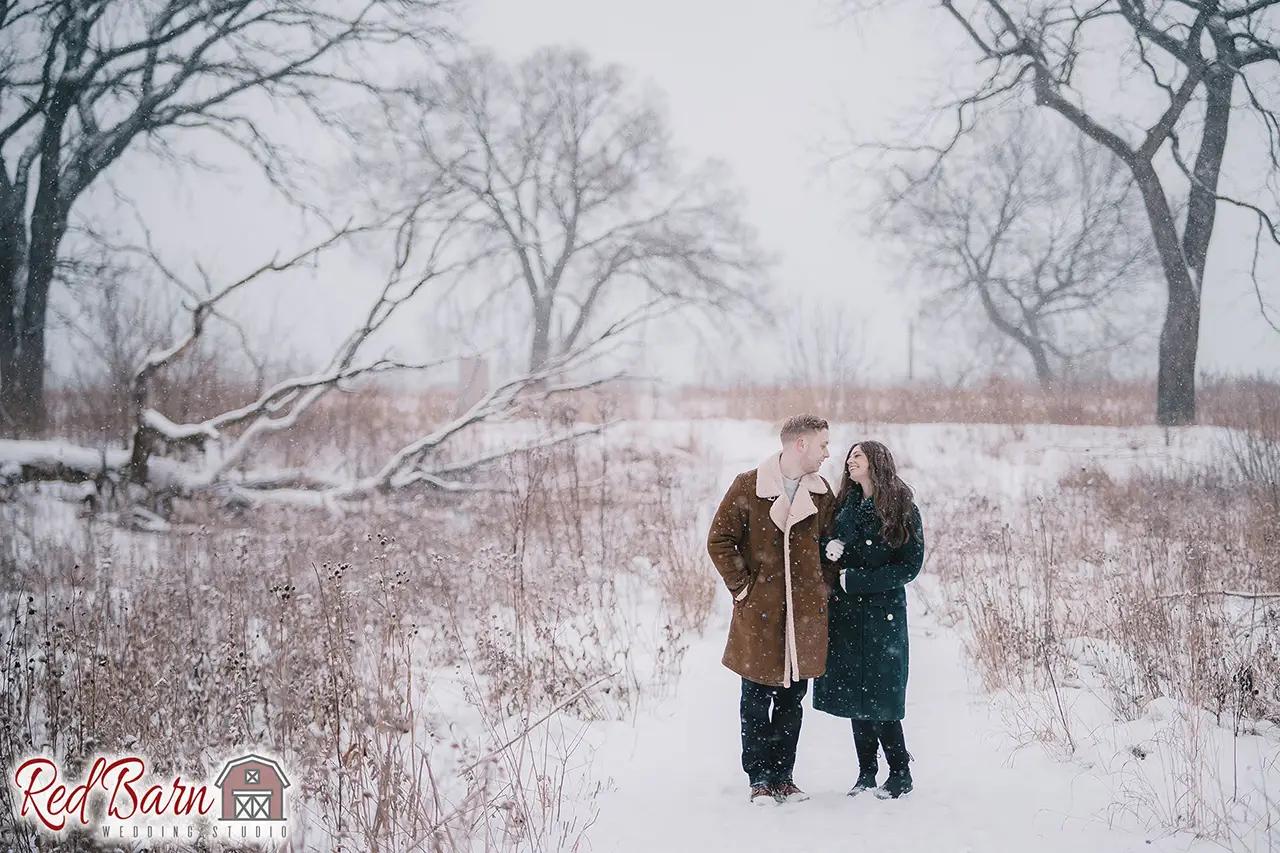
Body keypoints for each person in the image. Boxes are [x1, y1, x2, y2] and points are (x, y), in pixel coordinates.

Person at [706, 414, 837, 805]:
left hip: (804, 616)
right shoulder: (749, 486)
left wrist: (822, 589)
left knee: (792, 699)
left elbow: (832, 547)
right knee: (755, 698)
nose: (827, 453)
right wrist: (743, 587)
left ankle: (783, 777)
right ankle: (759, 779)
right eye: (823, 444)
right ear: (801, 444)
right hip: (760, 614)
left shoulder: (822, 493)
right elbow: (719, 540)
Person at [814, 441, 924, 800]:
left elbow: (910, 566)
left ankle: (900, 772)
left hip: (882, 616)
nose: (850, 461)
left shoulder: (902, 508)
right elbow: (828, 546)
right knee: (854, 694)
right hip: (846, 615)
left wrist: (859, 581)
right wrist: (830, 549)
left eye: (857, 456)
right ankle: (866, 773)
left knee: (882, 695)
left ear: (876, 462)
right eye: (849, 456)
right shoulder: (843, 506)